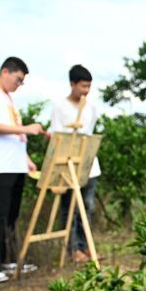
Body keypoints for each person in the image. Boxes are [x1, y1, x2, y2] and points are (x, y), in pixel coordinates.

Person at [0, 56, 44, 284]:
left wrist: (26, 158)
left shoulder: (8, 99)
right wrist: (26, 128)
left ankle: (8, 260)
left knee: (11, 216)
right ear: (5, 71)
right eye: (18, 79)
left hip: (14, 165)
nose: (19, 85)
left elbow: (15, 135)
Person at [49, 64, 100, 264]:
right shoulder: (60, 107)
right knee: (70, 207)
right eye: (82, 86)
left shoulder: (92, 107)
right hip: (67, 165)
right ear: (72, 84)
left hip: (88, 164)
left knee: (87, 206)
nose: (86, 91)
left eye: (89, 87)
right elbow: (56, 136)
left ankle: (86, 247)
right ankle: (73, 249)